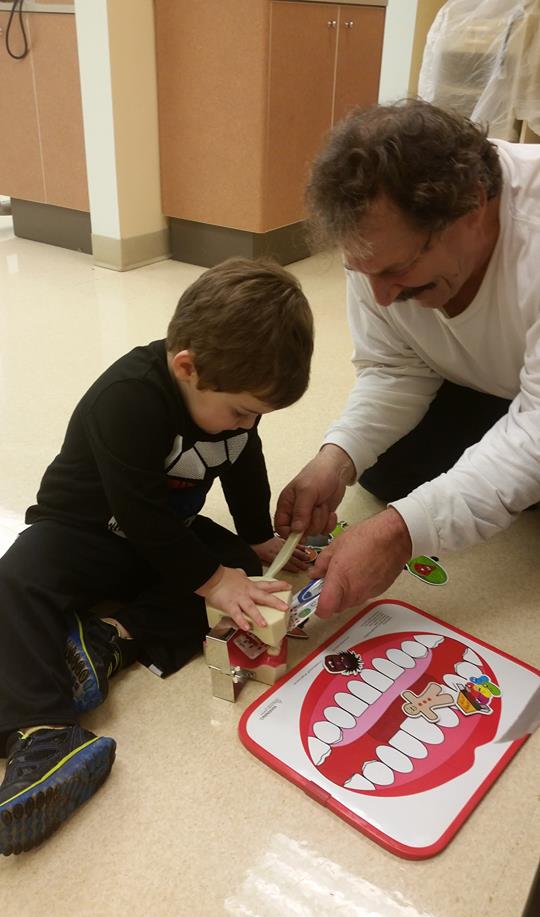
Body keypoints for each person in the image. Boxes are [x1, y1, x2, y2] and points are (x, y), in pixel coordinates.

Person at [0, 257, 314, 856]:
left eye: (258, 415)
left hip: (164, 533)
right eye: (242, 411)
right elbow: (138, 514)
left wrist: (251, 539)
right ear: (187, 368)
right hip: (83, 529)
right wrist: (211, 577)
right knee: (13, 582)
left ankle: (108, 637)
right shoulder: (128, 397)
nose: (247, 424)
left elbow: (244, 463)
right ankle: (41, 733)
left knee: (243, 580)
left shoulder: (231, 399)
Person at [276, 98, 540, 619]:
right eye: (362, 273)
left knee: (420, 509)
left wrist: (400, 536)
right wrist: (336, 457)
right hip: (506, 387)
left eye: (397, 270)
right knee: (385, 472)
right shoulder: (379, 253)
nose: (379, 298)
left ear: (472, 209)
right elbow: (397, 367)